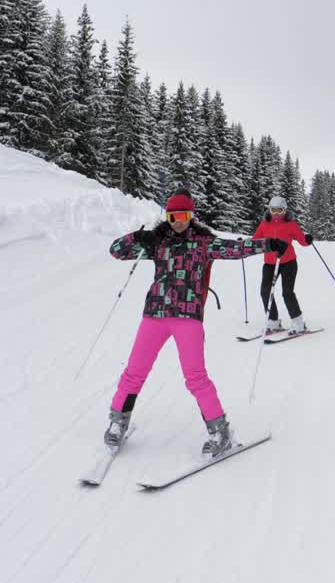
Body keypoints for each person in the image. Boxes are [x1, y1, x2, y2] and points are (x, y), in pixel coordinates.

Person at [105, 189, 288, 456]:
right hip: (154, 315)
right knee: (134, 372)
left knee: (195, 377)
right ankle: (117, 422)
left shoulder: (204, 243)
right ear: (167, 216)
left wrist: (268, 244)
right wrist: (137, 236)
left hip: (187, 317)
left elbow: (236, 249)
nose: (178, 220)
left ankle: (220, 431)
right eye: (172, 215)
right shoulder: (157, 242)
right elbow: (116, 251)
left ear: (191, 216)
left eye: (183, 215)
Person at [251, 196, 313, 334]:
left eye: (279, 210)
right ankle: (273, 321)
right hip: (270, 263)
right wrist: (246, 244)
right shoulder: (264, 225)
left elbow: (302, 240)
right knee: (265, 291)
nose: (276, 213)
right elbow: (255, 241)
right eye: (273, 210)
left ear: (285, 210)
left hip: (288, 262)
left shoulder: (291, 224)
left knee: (287, 293)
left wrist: (307, 240)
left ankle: (298, 323)